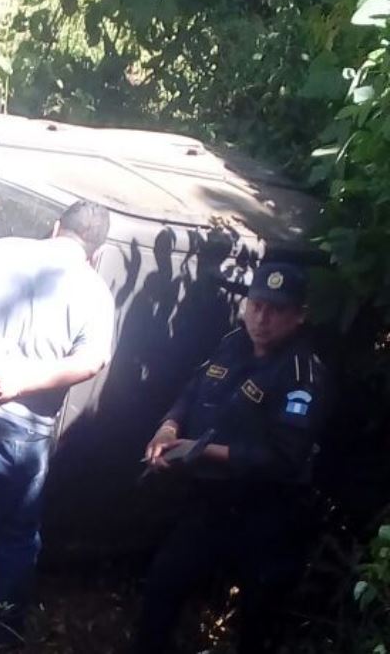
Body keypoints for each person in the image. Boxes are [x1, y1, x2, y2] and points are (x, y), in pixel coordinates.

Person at [0, 199, 115, 648]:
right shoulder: (95, 291)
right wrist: (23, 383)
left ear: (56, 227)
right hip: (25, 431)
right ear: (97, 251)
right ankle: (5, 629)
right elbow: (92, 361)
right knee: (17, 533)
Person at [134, 262, 330, 654]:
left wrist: (201, 450)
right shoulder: (232, 344)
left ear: (299, 316)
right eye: (256, 305)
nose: (262, 318)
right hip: (211, 502)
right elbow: (193, 391)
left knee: (258, 618)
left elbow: (282, 458)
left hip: (267, 512)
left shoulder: (302, 373)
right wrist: (169, 427)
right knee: (164, 583)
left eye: (276, 310)